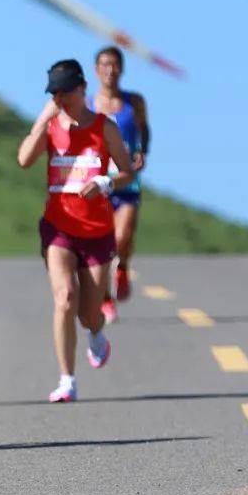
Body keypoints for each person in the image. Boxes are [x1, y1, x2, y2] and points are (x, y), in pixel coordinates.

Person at [17, 58, 134, 403]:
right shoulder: (50, 126)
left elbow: (127, 172)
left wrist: (105, 182)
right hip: (59, 228)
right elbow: (24, 160)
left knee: (89, 313)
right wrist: (42, 120)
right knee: (65, 297)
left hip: (97, 231)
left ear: (82, 89)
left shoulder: (103, 127)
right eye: (54, 93)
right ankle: (67, 379)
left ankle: (96, 333)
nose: (60, 98)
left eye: (65, 92)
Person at [88, 45, 150, 321]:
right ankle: (105, 298)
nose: (110, 70)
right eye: (104, 64)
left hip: (126, 181)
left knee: (122, 236)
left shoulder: (134, 103)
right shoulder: (87, 105)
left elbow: (144, 131)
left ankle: (122, 266)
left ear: (122, 69)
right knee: (101, 245)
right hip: (97, 182)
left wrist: (142, 152)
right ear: (96, 70)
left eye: (114, 65)